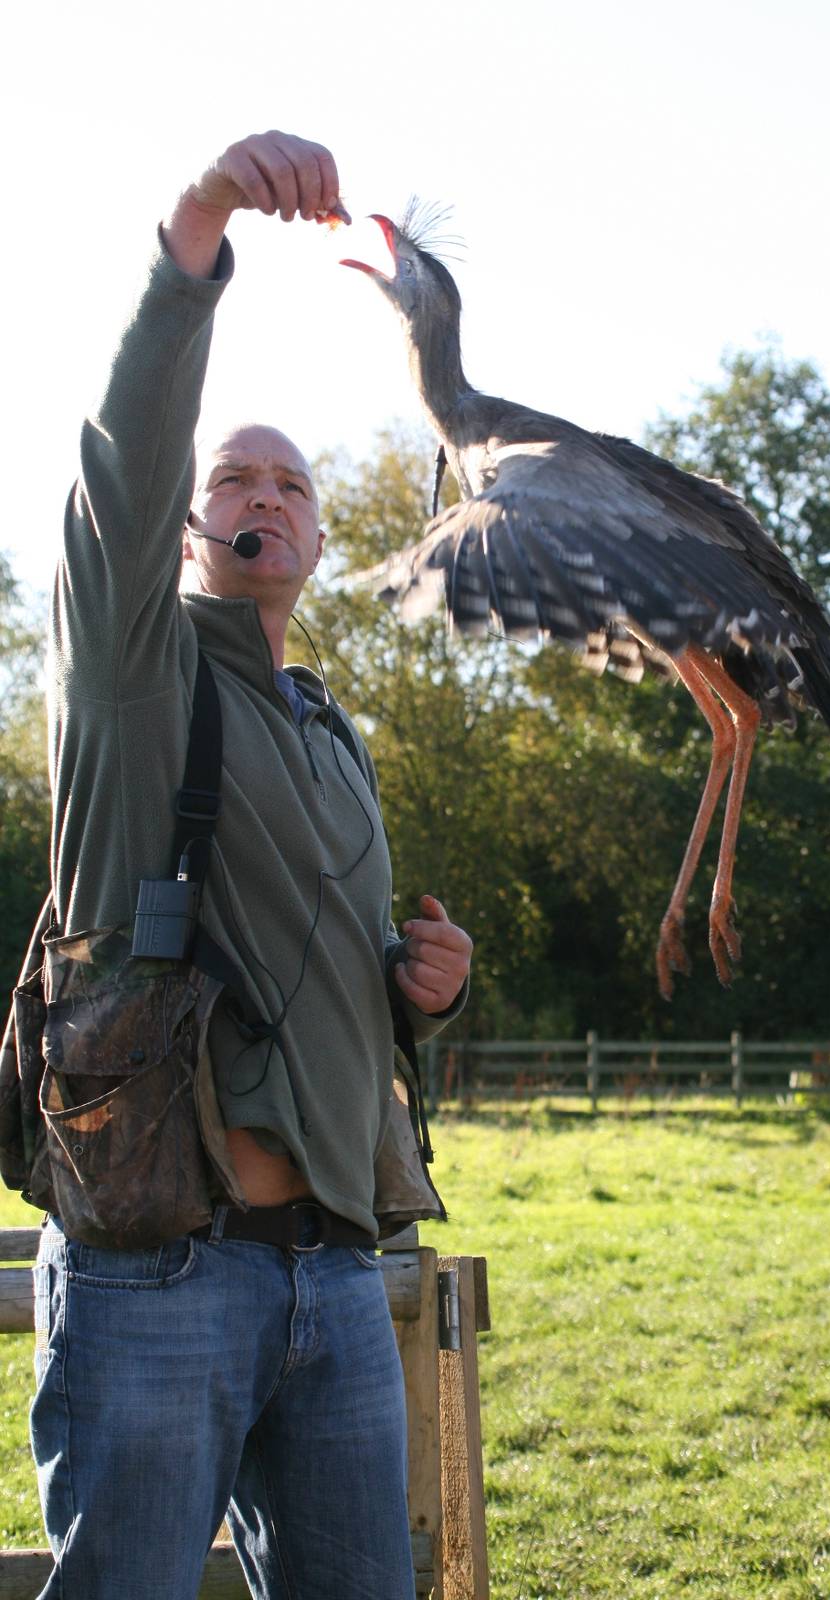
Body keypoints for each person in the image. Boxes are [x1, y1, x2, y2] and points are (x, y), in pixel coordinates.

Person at [30, 130, 472, 1600]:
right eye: (233, 479)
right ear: (194, 527)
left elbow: (314, 982)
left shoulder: (330, 730)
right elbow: (122, 471)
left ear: (322, 533)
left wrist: (425, 992)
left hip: (334, 1276)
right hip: (161, 1269)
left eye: (289, 481)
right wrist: (196, 233)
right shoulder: (138, 677)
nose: (262, 495)